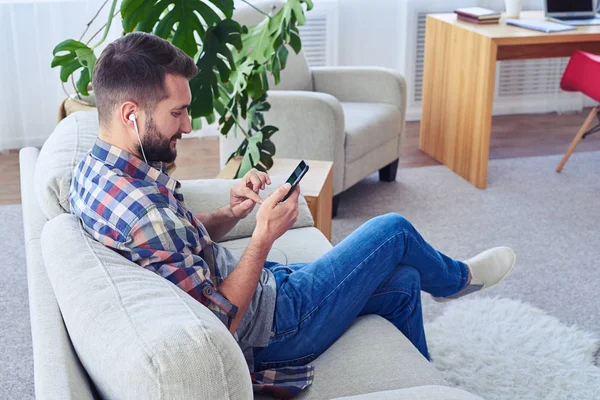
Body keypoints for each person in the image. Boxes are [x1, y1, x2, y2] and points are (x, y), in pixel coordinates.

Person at [69, 32, 516, 398]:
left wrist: (231, 212)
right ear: (131, 114)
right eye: (178, 112)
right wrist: (262, 237)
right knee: (391, 230)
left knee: (404, 282)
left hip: (268, 294)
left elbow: (175, 241)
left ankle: (423, 385)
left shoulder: (97, 172)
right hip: (274, 327)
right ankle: (458, 281)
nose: (187, 126)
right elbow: (223, 321)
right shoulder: (142, 213)